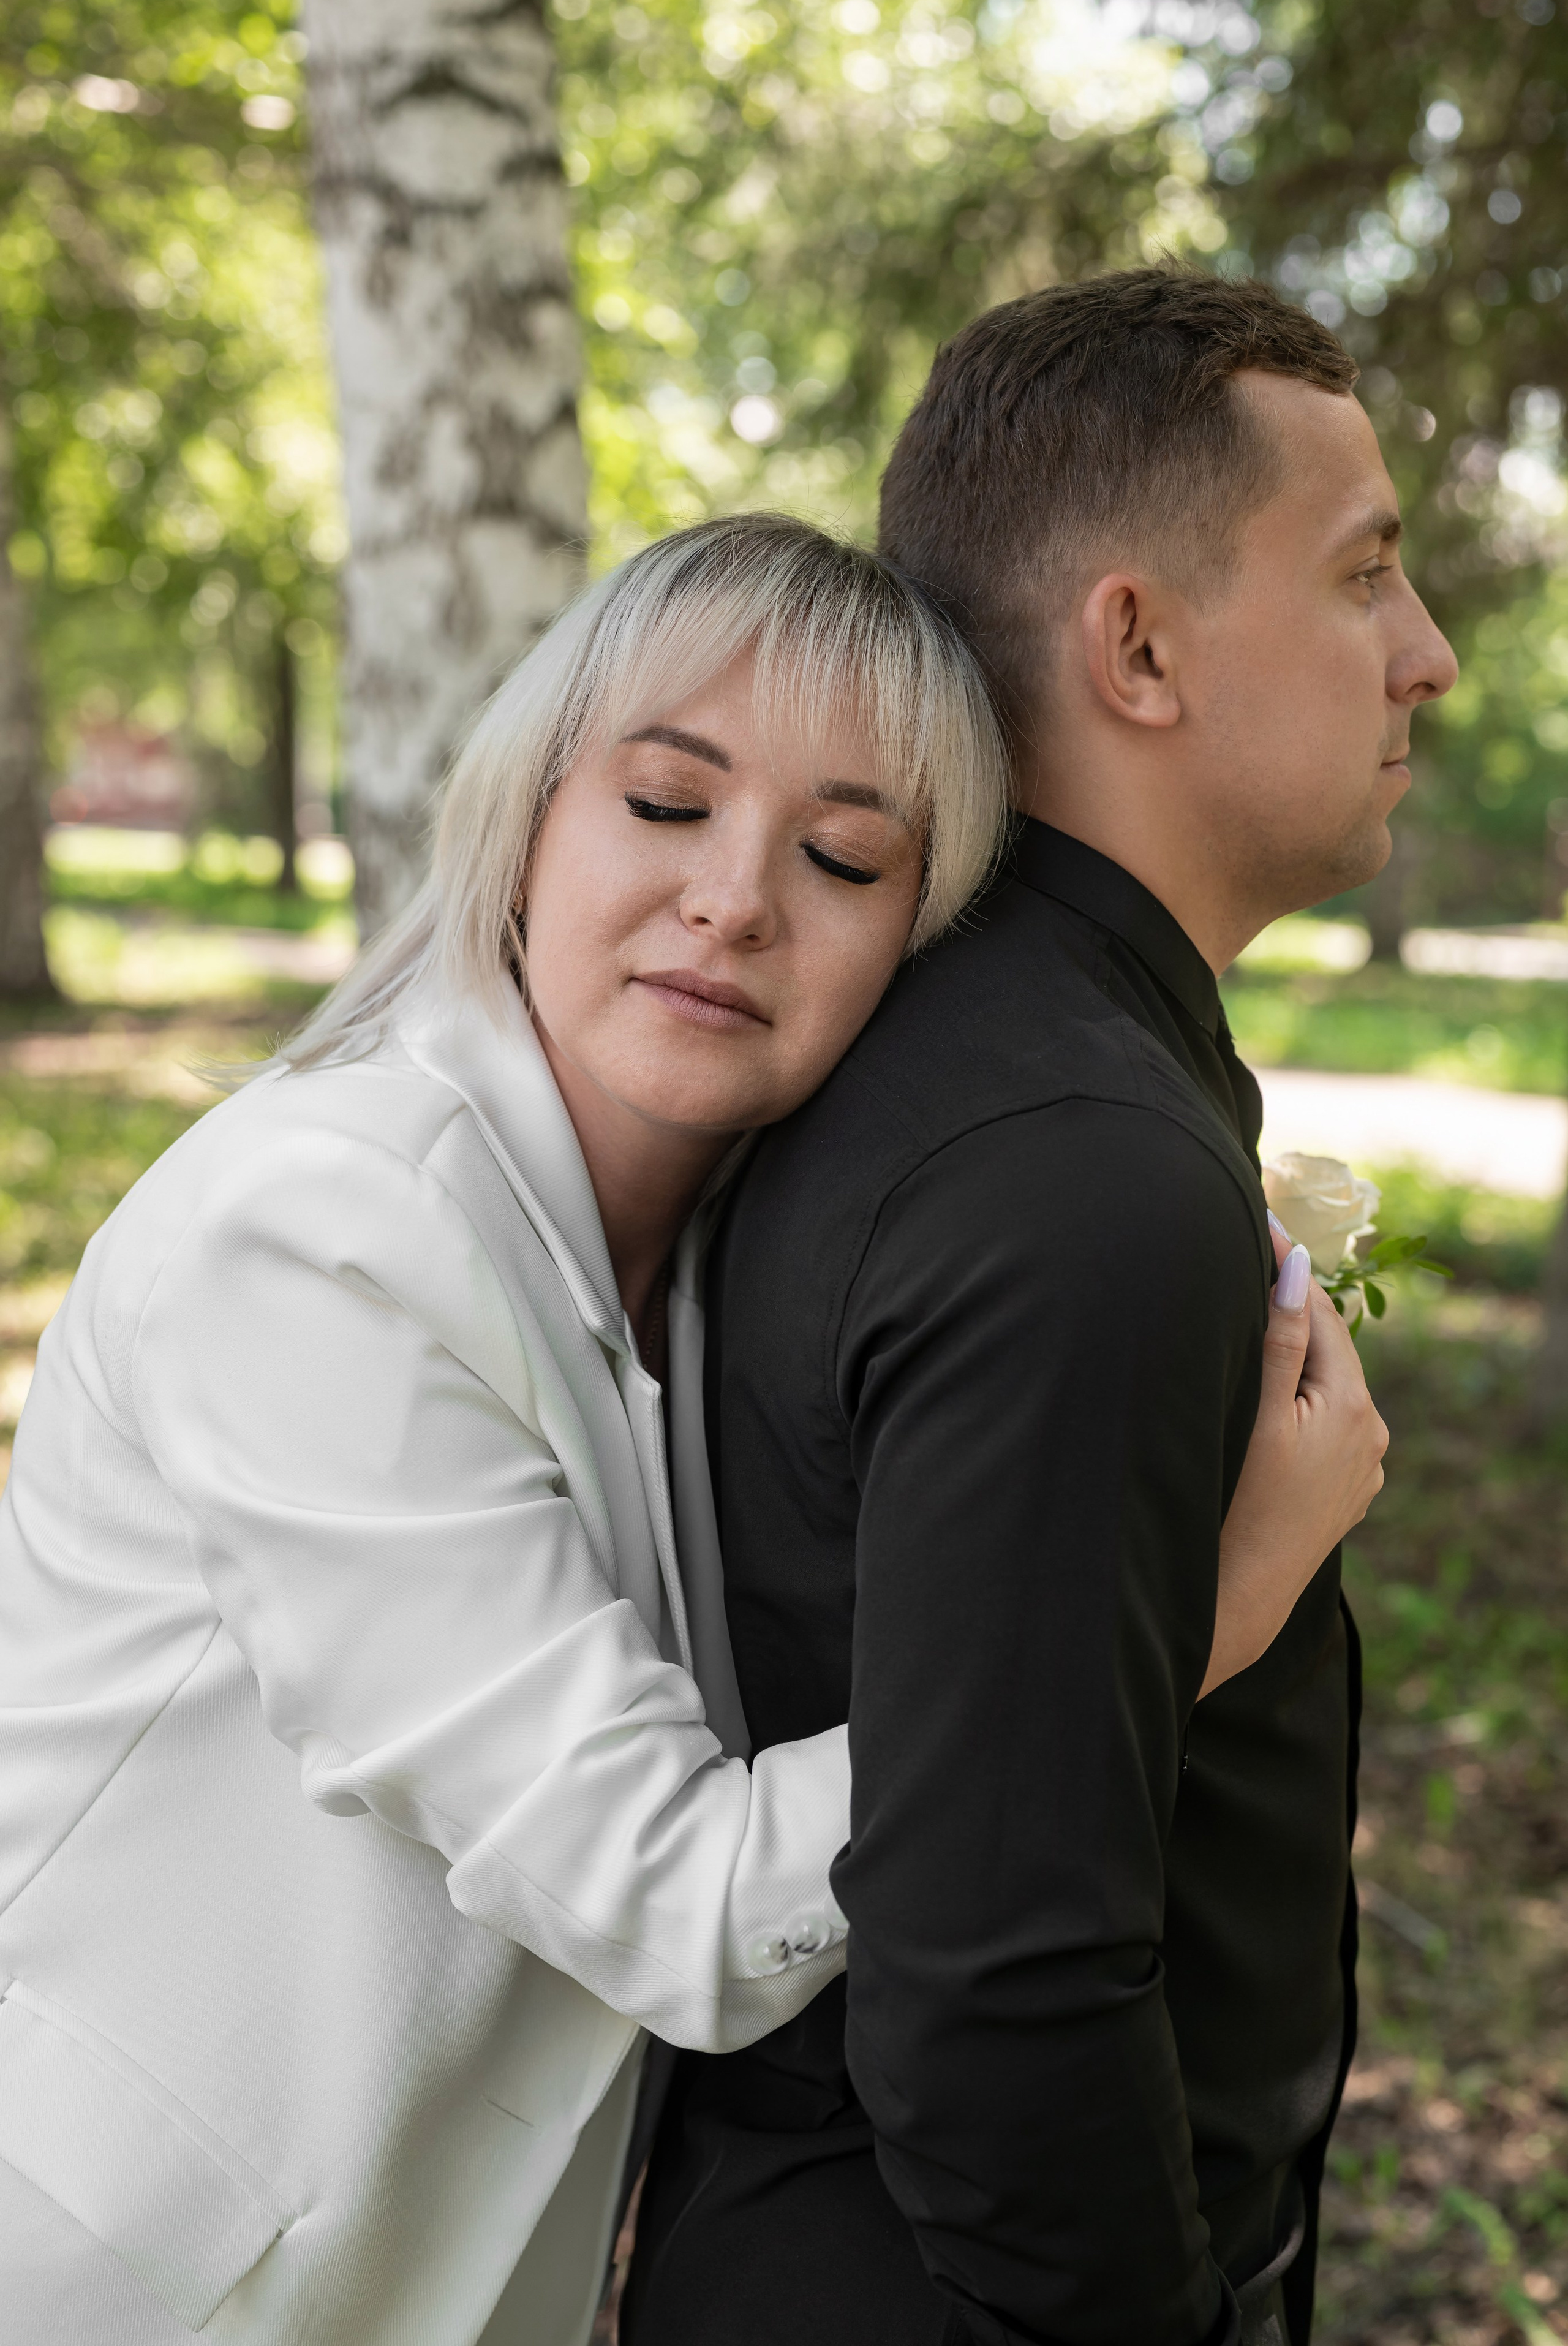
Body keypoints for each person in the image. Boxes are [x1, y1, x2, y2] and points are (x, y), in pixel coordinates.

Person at [0, 505, 1377, 2346]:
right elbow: (680, 1895)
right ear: (527, 814)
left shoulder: (739, 1267)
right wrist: (1184, 1617)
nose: (737, 896)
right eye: (665, 803)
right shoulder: (319, 1238)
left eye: (842, 853)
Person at [623, 270, 1456, 2346]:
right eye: (1366, 574)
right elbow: (998, 1985)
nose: (1428, 655)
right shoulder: (1067, 1161)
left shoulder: (978, 1049)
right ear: (1140, 645)